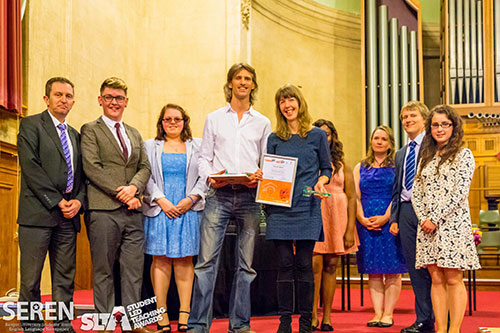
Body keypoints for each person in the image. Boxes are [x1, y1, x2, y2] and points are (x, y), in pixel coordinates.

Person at [187, 63, 271, 333]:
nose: (243, 82)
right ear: (230, 83)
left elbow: (266, 161)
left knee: (246, 267)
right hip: (218, 196)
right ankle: (199, 324)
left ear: (253, 85)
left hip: (249, 197)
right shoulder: (214, 118)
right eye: (238, 78)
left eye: (248, 78)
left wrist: (260, 174)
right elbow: (204, 157)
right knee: (205, 264)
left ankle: (240, 325)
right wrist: (210, 176)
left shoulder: (262, 122)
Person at [81, 77, 157, 333]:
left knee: (133, 271)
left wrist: (134, 188)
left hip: (134, 212)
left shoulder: (134, 132)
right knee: (104, 271)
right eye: (109, 97)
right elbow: (92, 167)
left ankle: (134, 324)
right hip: (103, 210)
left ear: (126, 102)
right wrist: (121, 192)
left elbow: (144, 166)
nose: (115, 102)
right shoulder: (90, 129)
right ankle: (102, 324)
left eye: (119, 98)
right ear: (100, 100)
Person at [17, 77, 85, 333]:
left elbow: (81, 176)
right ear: (46, 99)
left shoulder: (76, 136)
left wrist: (77, 200)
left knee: (65, 279)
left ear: (73, 102)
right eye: (58, 95)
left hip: (68, 218)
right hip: (37, 214)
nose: (63, 100)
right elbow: (31, 167)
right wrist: (58, 201)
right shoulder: (31, 125)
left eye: (68, 96)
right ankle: (31, 327)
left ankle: (63, 325)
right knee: (31, 280)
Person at [266, 84, 332, 333]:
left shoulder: (316, 136)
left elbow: (326, 169)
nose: (287, 105)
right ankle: (284, 322)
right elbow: (270, 171)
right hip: (280, 209)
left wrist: (321, 181)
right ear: (279, 106)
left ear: (299, 103)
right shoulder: (274, 138)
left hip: (307, 205)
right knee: (284, 264)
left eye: (291, 99)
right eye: (282, 101)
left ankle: (306, 322)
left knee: (304, 264)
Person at [412, 105, 480, 333]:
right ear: (429, 128)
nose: (439, 129)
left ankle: (454, 330)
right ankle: (441, 329)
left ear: (453, 126)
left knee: (452, 278)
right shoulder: (426, 156)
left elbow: (459, 192)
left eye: (444, 124)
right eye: (435, 125)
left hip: (452, 225)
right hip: (427, 228)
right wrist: (423, 219)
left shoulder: (464, 154)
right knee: (436, 278)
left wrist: (435, 218)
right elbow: (416, 192)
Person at [142, 104, 206, 332]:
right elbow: (144, 176)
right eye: (167, 119)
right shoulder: (149, 146)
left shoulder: (197, 146)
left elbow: (205, 176)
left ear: (184, 121)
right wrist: (161, 200)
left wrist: (191, 198)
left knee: (185, 261)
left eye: (177, 119)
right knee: (160, 261)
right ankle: (162, 315)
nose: (172, 123)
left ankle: (184, 314)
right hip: (160, 211)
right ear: (161, 122)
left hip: (187, 210)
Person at [353, 125, 407, 328]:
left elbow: (400, 193)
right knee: (373, 271)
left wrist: (387, 216)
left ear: (390, 143)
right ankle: (376, 313)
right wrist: (361, 218)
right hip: (366, 222)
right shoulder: (361, 167)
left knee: (392, 270)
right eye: (376, 138)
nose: (379, 141)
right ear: (371, 141)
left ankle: (388, 313)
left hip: (390, 220)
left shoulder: (397, 165)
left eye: (384, 138)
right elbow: (355, 197)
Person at [389, 101, 435, 333]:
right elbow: (397, 189)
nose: (407, 120)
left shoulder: (435, 145)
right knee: (415, 268)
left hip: (430, 212)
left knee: (434, 267)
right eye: (404, 117)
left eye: (413, 116)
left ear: (424, 119)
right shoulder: (401, 153)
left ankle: (441, 315)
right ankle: (424, 319)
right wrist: (395, 218)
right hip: (406, 212)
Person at [311, 119, 358, 332]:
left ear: (332, 138)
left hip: (337, 219)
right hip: (315, 215)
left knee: (331, 266)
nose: (324, 137)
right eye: (319, 133)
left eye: (327, 134)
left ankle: (327, 317)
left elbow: (351, 198)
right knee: (314, 267)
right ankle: (312, 315)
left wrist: (349, 230)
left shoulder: (342, 165)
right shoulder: (309, 161)